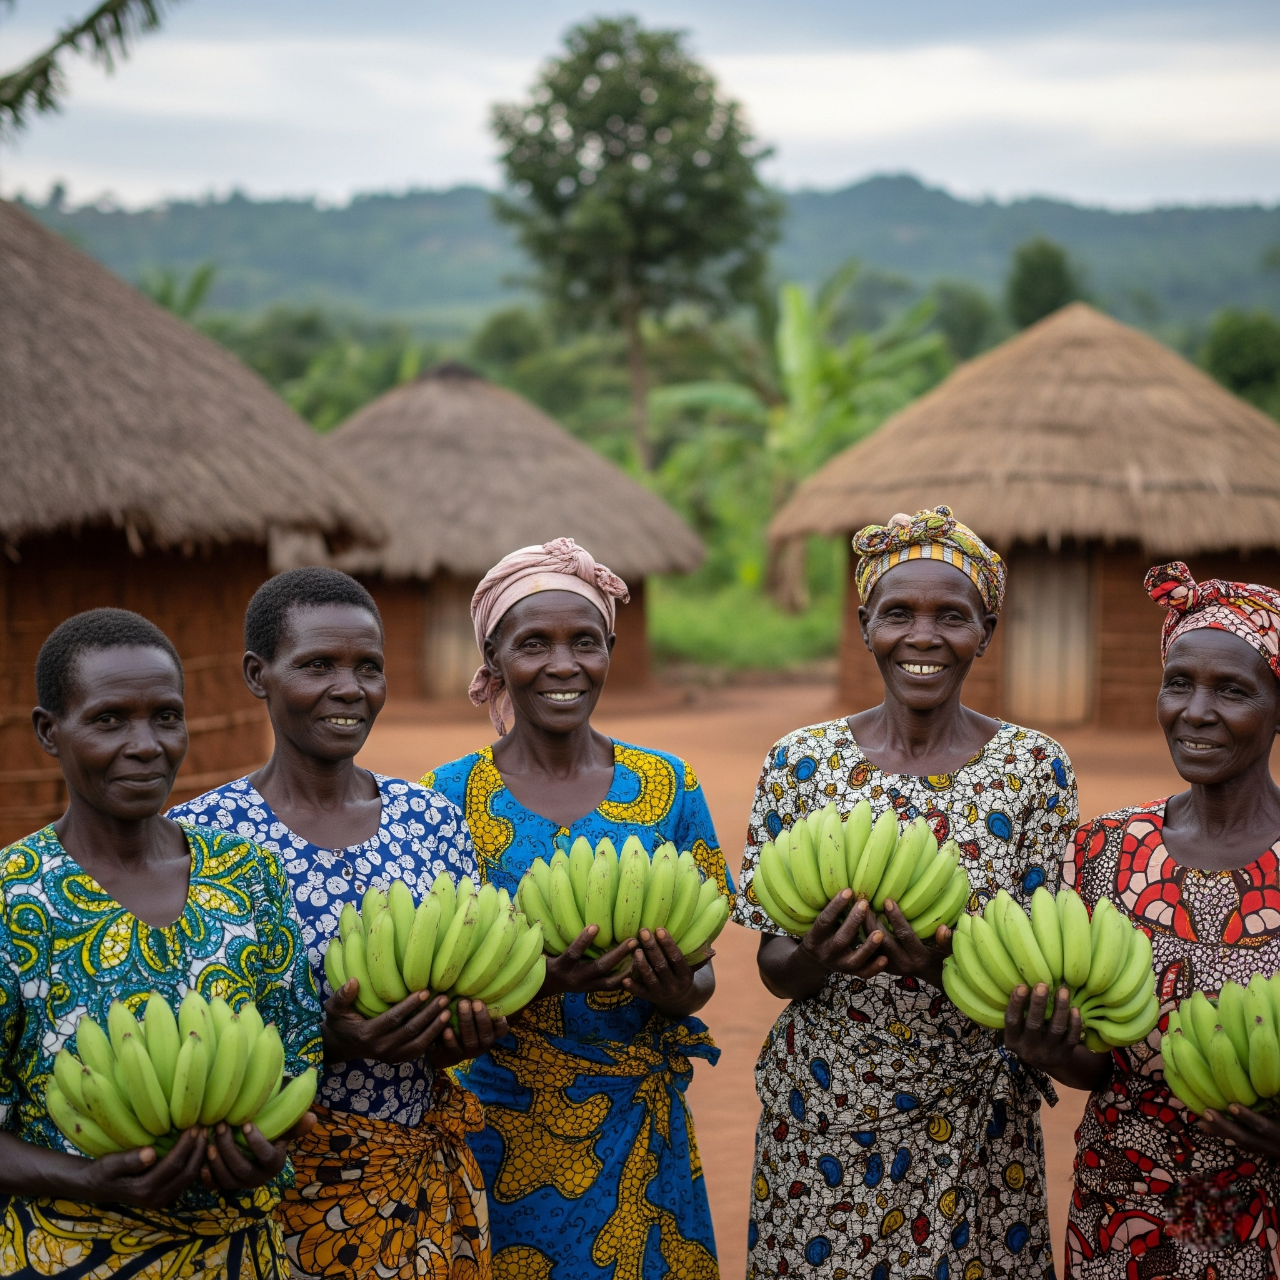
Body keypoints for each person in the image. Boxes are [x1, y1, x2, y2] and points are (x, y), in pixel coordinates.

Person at [733, 506, 1079, 1279]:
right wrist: (819, 957)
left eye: (951, 616)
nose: (923, 636)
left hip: (978, 1124)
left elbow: (1042, 964)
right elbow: (774, 965)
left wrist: (938, 967)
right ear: (866, 627)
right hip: (822, 1119)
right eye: (898, 614)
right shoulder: (800, 763)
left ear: (985, 632)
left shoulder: (1035, 770)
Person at [169, 568, 506, 1280]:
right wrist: (324, 1040)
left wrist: (463, 1033)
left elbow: (464, 987)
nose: (350, 688)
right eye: (318, 665)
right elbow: (180, 1034)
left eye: (368, 668)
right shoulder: (200, 839)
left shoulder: (431, 819)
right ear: (258, 675)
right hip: (271, 1195)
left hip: (419, 1180)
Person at [425, 537, 732, 1279]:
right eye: (534, 644)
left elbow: (702, 976)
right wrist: (538, 980)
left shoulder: (668, 785)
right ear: (494, 658)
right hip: (499, 1124)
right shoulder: (444, 798)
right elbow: (434, 984)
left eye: (585, 642)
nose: (563, 665)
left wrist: (673, 988)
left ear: (609, 652)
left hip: (640, 1125)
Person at [0, 608, 322, 1279]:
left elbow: (296, 1056)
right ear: (50, 732)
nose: (146, 745)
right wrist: (87, 1179)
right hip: (72, 1256)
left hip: (243, 1255)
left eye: (166, 717)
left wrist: (269, 1148)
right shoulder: (15, 897)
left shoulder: (247, 875)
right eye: (109, 720)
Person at [1008, 563, 1280, 1278]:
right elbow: (1100, 1066)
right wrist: (1050, 1048)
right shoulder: (1104, 850)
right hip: (1125, 1208)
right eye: (1178, 683)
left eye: (1232, 690)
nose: (1196, 711)